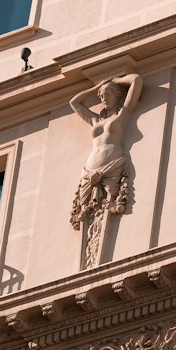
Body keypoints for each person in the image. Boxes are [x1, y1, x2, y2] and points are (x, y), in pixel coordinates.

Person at [69, 74, 143, 236]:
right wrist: (97, 87)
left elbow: (136, 80)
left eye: (107, 94)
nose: (104, 98)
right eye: (101, 96)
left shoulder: (122, 114)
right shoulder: (95, 120)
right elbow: (74, 102)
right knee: (86, 209)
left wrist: (115, 81)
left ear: (117, 96)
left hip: (112, 165)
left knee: (109, 204)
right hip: (90, 170)